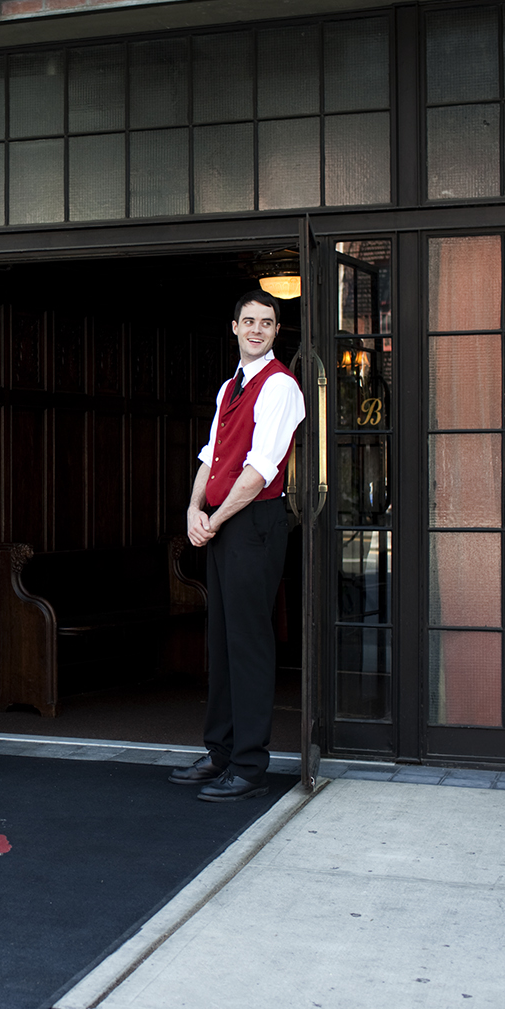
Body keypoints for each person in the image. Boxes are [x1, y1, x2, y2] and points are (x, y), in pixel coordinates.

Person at [173, 290, 306, 802]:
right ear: (234, 327)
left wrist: (215, 516)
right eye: (248, 321)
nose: (256, 329)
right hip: (224, 522)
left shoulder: (280, 387)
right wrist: (193, 509)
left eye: (266, 323)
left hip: (254, 522)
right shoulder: (232, 386)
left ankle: (250, 766)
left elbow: (260, 471)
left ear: (276, 331)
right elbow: (211, 457)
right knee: (222, 641)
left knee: (248, 643)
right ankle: (221, 752)